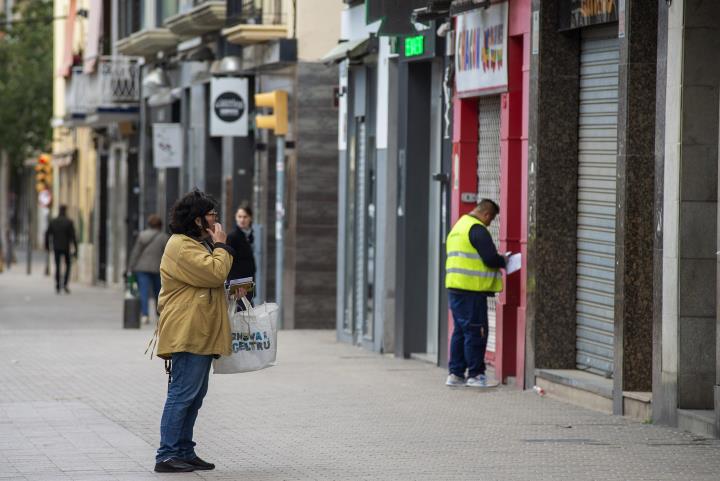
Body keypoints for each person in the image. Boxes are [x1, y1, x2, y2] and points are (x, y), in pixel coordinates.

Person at [152, 190, 243, 474]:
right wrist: (222, 246)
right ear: (197, 219)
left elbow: (208, 282)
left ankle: (184, 450)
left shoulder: (194, 244)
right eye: (212, 214)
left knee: (195, 394)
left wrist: (230, 290)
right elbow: (214, 272)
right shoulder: (180, 245)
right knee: (182, 393)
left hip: (199, 330)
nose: (216, 219)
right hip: (188, 331)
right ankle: (167, 454)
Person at [445, 199, 508, 389]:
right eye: (492, 219)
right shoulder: (478, 229)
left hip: (455, 288)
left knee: (461, 331)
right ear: (487, 214)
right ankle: (476, 375)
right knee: (476, 332)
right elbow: (489, 258)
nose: (490, 223)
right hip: (471, 290)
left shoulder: (458, 227)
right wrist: (504, 260)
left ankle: (455, 374)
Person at [127, 214, 169, 324]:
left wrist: (130, 266)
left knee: (143, 292)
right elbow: (168, 254)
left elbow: (136, 253)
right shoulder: (164, 237)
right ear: (160, 225)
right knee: (159, 292)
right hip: (157, 268)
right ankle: (159, 314)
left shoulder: (142, 235)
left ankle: (144, 315)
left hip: (142, 268)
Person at [45, 205, 78, 294]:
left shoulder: (54, 221)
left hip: (56, 247)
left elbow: (47, 234)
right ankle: (65, 284)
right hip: (66, 247)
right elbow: (73, 237)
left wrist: (47, 246)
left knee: (58, 266)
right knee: (68, 265)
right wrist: (75, 249)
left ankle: (58, 285)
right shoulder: (69, 222)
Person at [226, 203, 256, 285]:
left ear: (250, 218)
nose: (242, 220)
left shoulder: (250, 235)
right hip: (237, 283)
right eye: (239, 217)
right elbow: (228, 261)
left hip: (249, 280)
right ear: (236, 217)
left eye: (245, 217)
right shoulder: (232, 237)